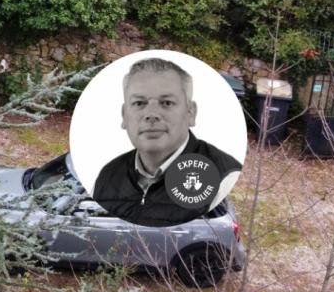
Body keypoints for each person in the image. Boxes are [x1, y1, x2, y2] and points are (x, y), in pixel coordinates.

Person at [90, 57, 242, 226]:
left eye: (167, 103)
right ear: (124, 116)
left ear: (191, 113)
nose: (151, 114)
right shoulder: (108, 176)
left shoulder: (224, 176)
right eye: (139, 103)